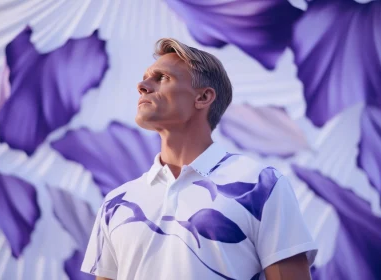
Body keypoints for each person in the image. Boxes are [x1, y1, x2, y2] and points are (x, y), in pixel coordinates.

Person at [81, 38, 317, 280]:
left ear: (203, 97)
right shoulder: (116, 203)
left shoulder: (261, 185)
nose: (142, 86)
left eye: (162, 78)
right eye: (145, 77)